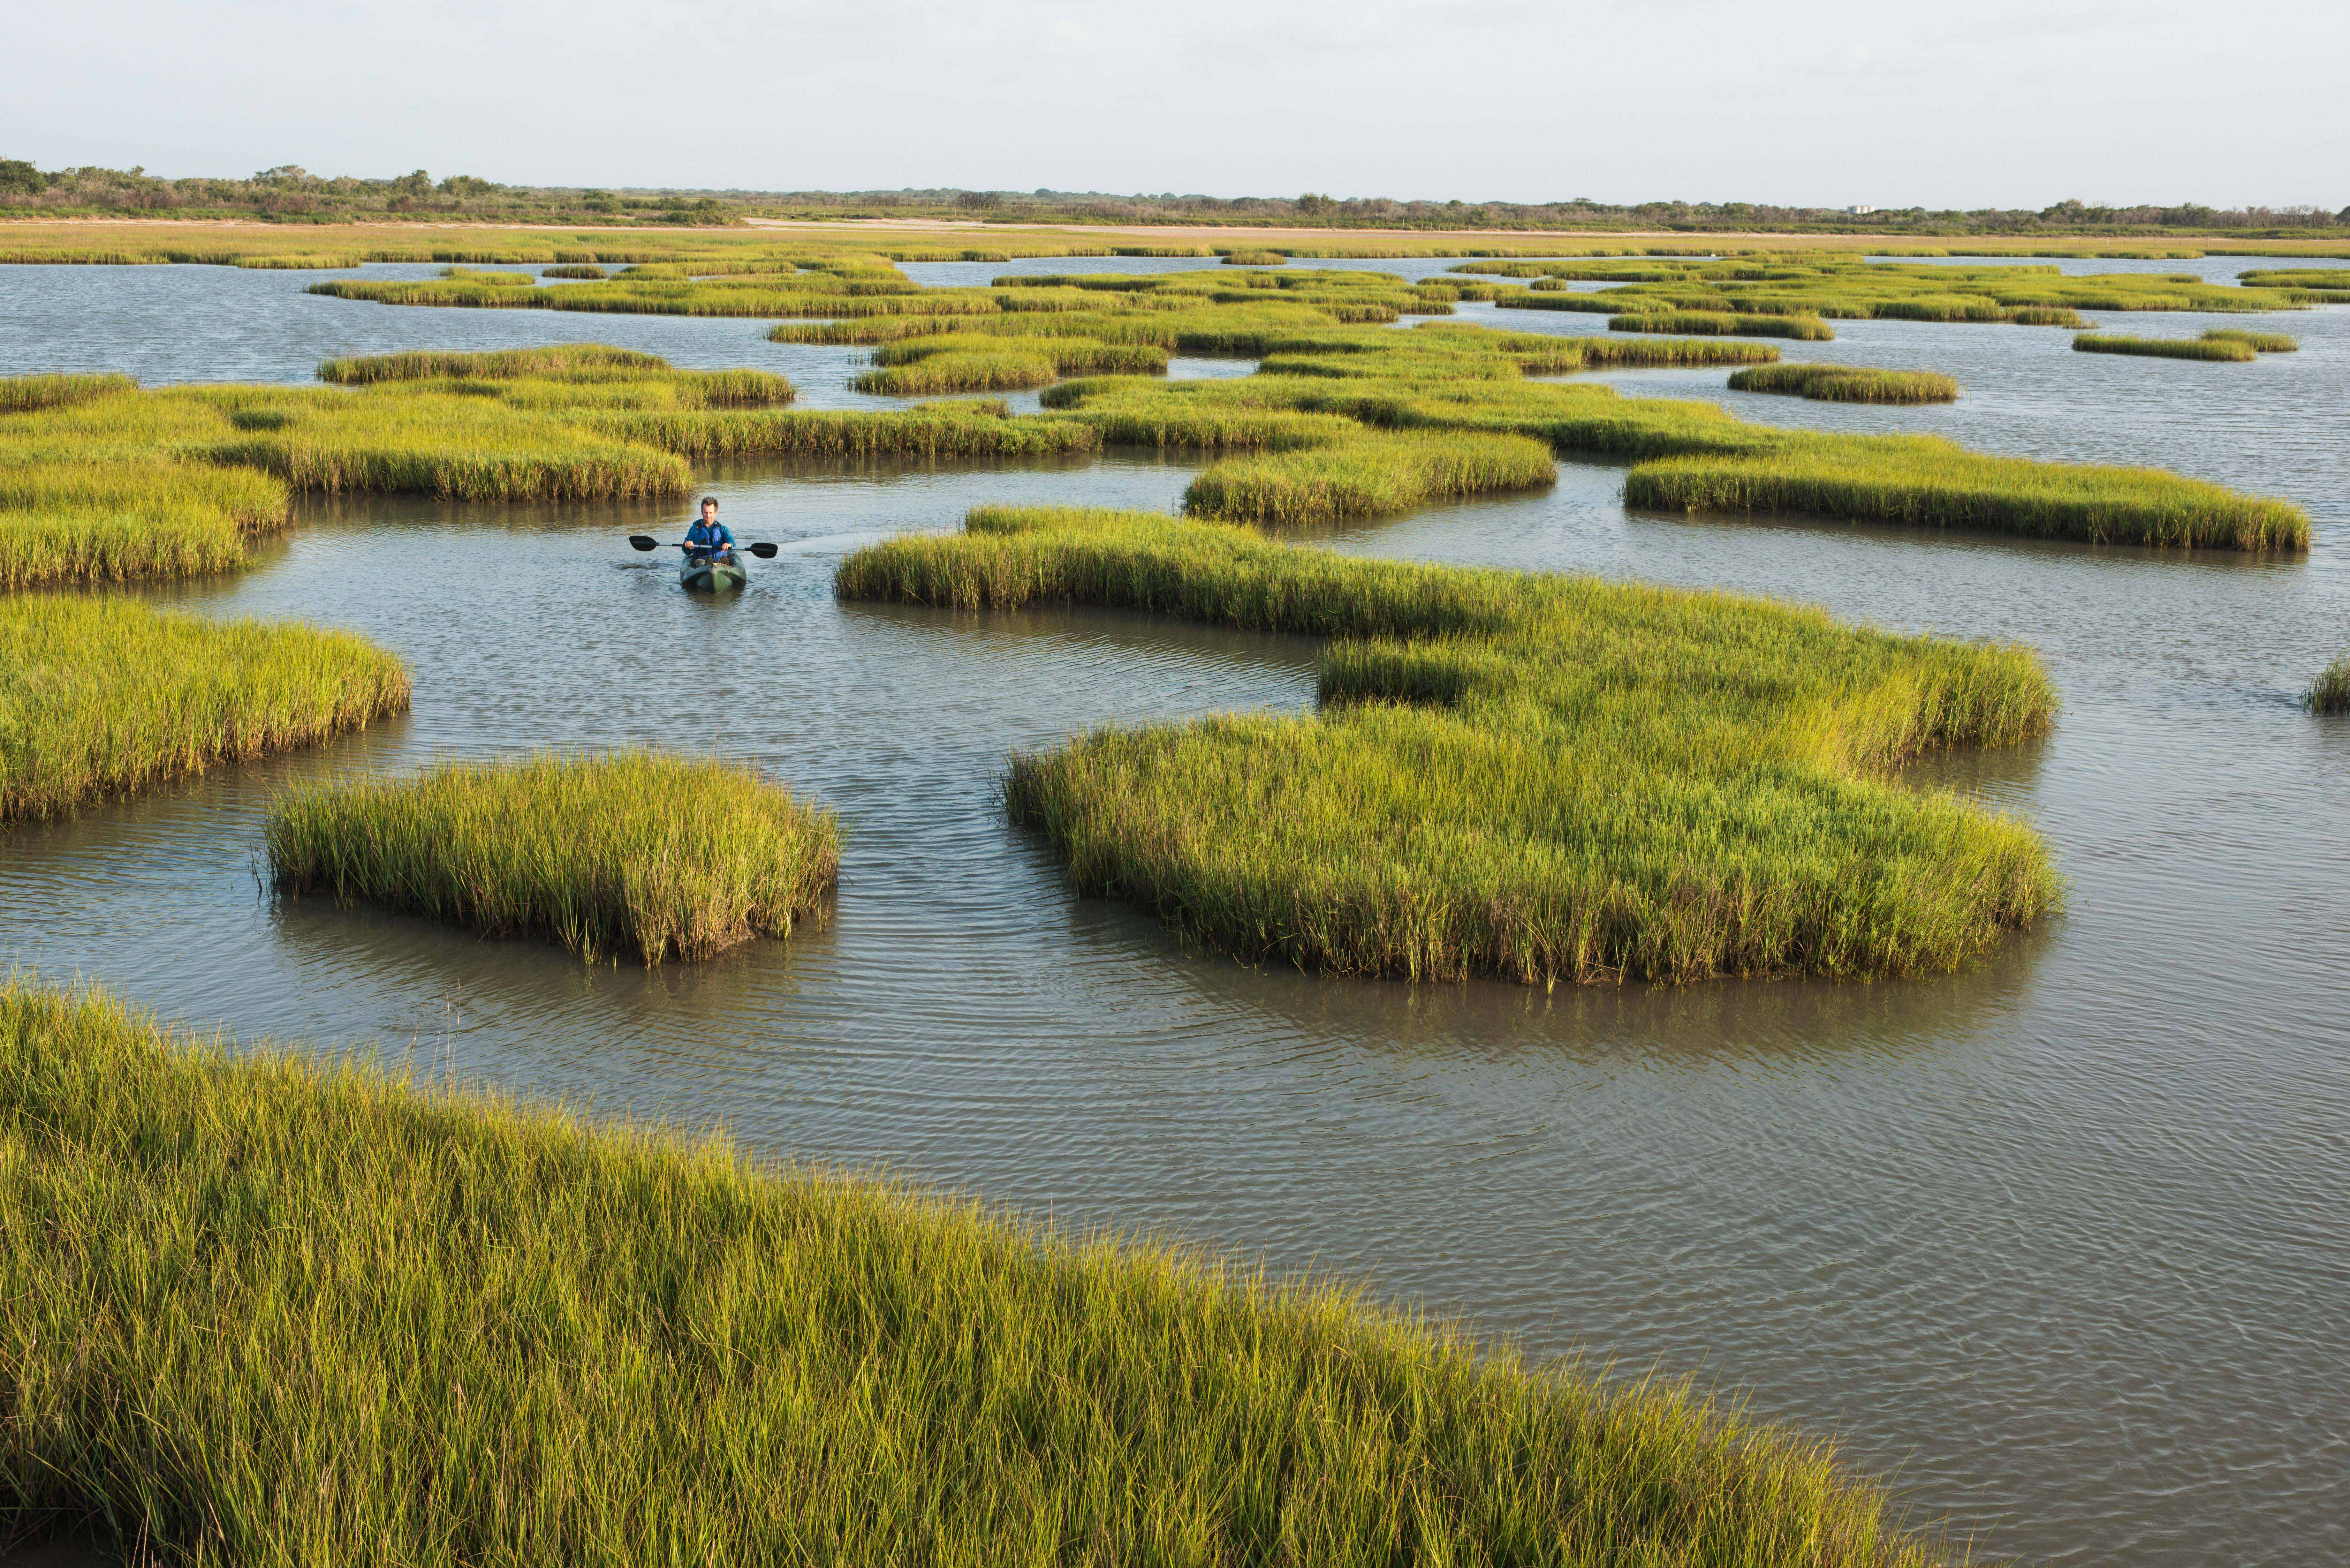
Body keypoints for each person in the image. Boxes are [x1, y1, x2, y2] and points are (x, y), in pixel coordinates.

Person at [683, 496, 735, 563]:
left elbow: (732, 541)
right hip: (701, 562)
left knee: (722, 562)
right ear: (702, 512)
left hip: (719, 560)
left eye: (711, 513)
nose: (708, 516)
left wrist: (729, 544)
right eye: (706, 512)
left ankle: (723, 564)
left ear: (715, 513)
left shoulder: (723, 529)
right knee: (701, 563)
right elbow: (686, 551)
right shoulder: (694, 529)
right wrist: (687, 545)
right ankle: (708, 565)